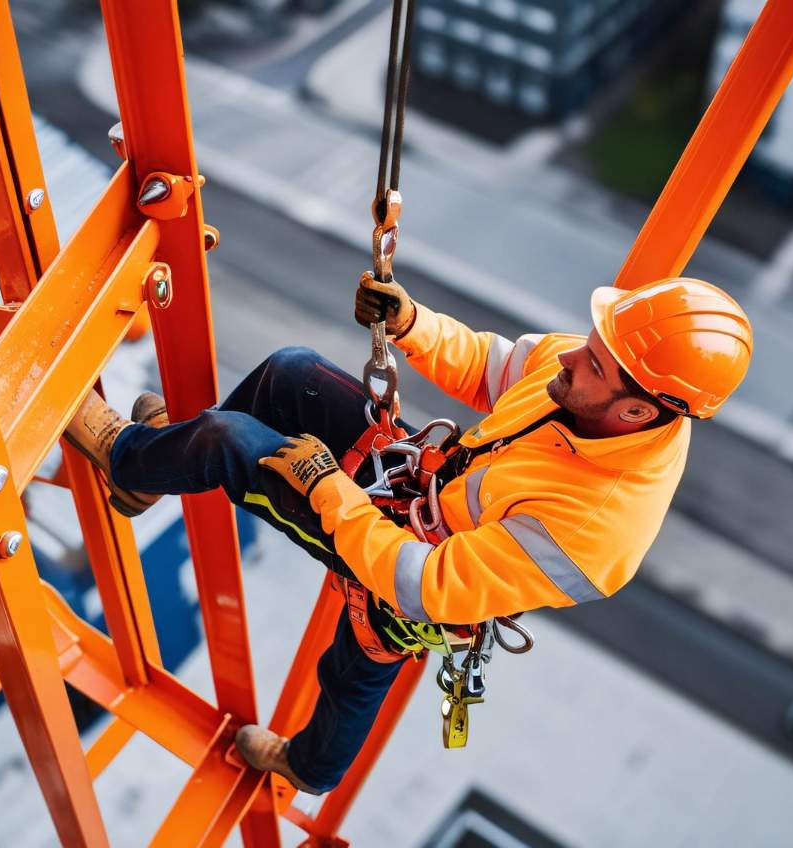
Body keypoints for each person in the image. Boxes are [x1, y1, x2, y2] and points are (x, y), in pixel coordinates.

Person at [63, 274, 753, 794]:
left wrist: (328, 486)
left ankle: (128, 459)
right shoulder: (597, 373)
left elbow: (423, 587)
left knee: (354, 647)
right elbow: (495, 368)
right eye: (588, 346)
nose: (572, 360)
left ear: (634, 411)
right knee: (290, 373)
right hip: (418, 492)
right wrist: (415, 324)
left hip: (419, 573)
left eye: (594, 366)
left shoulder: (597, 528)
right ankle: (158, 469)